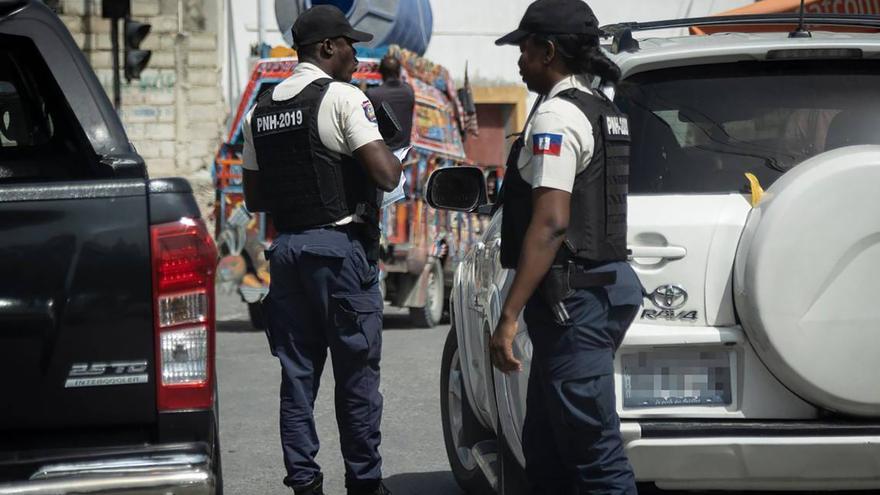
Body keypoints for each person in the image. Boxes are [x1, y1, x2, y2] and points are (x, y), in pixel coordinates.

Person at [240, 5, 401, 495]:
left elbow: (255, 197)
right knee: (356, 382)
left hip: (287, 251)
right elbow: (387, 175)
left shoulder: (260, 110)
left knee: (297, 379)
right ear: (328, 48)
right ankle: (365, 484)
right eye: (350, 44)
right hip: (339, 252)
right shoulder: (343, 99)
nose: (358, 52)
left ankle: (305, 484)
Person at [490, 0, 644, 493]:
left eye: (525, 48)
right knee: (548, 450)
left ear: (548, 50)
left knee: (595, 459)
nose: (519, 59)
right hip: (599, 291)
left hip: (573, 303)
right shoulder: (604, 109)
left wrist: (508, 315)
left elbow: (552, 223)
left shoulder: (557, 115)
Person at [366, 55, 415, 149]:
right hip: (404, 151)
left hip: (382, 153)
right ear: (399, 71)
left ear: (381, 72)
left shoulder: (372, 94)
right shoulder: (409, 91)